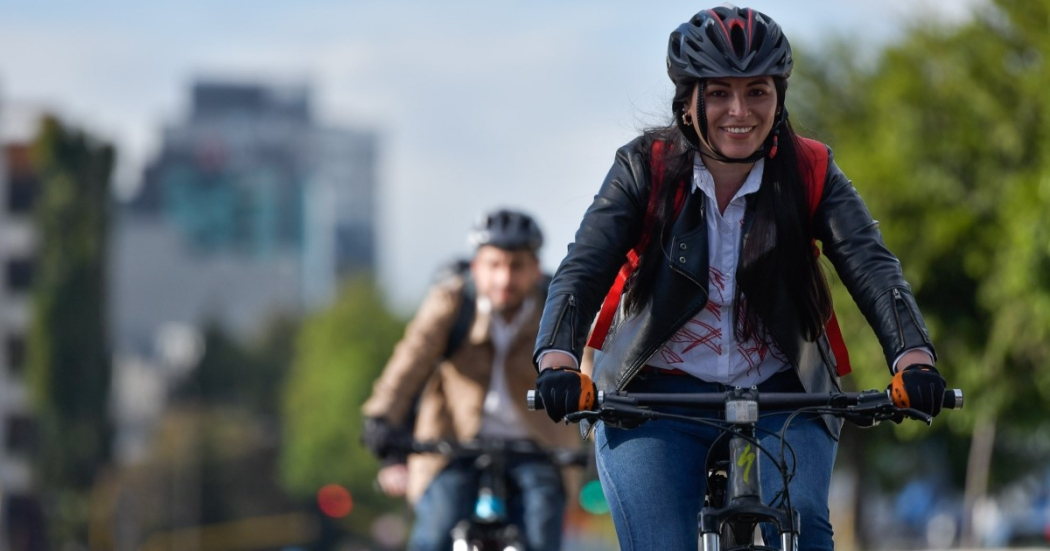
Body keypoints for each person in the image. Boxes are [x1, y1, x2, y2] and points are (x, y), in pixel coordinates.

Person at [531, 6, 949, 551]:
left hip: (782, 394)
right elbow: (584, 267)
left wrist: (912, 357)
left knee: (802, 527)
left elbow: (871, 264)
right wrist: (558, 360)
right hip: (655, 399)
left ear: (779, 98)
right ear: (688, 101)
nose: (739, 111)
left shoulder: (810, 169)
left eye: (757, 91)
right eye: (720, 92)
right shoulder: (644, 166)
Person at [361, 208, 580, 551]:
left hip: (537, 445)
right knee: (436, 531)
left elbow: (589, 366)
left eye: (517, 266)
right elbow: (409, 363)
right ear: (476, 267)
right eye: (494, 265)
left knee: (542, 533)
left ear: (536, 270)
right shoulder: (451, 303)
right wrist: (381, 418)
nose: (504, 279)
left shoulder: (554, 308)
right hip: (453, 441)